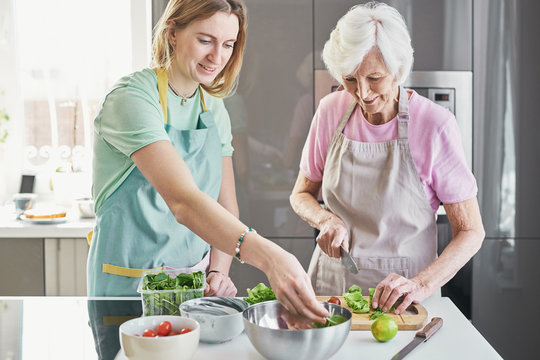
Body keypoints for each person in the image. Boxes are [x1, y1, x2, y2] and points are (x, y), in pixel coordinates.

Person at [87, 0, 328, 323]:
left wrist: (218, 270)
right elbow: (183, 201)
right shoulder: (132, 99)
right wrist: (270, 257)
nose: (217, 57)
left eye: (228, 44)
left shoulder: (213, 108)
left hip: (193, 297)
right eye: (205, 40)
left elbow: (226, 205)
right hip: (128, 295)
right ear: (172, 32)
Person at [290, 2, 485, 315]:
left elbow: (472, 232)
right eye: (350, 79)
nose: (363, 93)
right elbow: (301, 194)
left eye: (375, 78)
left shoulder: (435, 125)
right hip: (331, 289)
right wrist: (324, 219)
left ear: (399, 69)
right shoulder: (330, 110)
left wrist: (421, 284)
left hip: (405, 300)